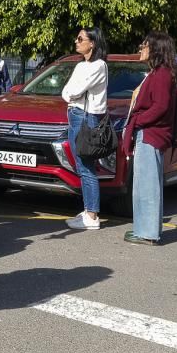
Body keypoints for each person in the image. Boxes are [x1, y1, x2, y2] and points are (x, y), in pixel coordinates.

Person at [121, 32, 177, 245]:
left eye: (144, 45)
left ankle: (148, 233)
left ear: (156, 48)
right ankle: (146, 229)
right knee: (143, 184)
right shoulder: (158, 73)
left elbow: (160, 106)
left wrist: (138, 121)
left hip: (151, 134)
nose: (140, 49)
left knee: (147, 185)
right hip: (149, 133)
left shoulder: (162, 74)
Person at [61, 26, 109, 231]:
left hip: (87, 117)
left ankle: (92, 215)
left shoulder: (99, 65)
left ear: (93, 43)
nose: (76, 41)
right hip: (74, 114)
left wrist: (72, 93)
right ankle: (88, 209)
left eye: (80, 38)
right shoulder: (81, 66)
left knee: (86, 165)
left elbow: (77, 90)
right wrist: (71, 94)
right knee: (80, 165)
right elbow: (66, 92)